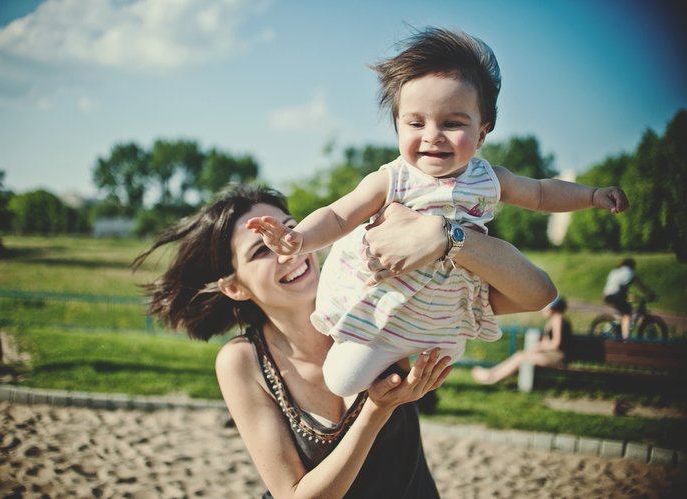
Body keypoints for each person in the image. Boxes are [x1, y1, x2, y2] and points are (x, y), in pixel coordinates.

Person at [246, 27, 629, 397]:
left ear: (482, 132)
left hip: (444, 308)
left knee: (440, 360)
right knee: (342, 379)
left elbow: (544, 193)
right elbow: (338, 216)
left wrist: (593, 195)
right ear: (397, 126)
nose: (432, 135)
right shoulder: (392, 179)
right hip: (387, 304)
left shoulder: (489, 178)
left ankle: (412, 361)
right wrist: (299, 240)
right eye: (416, 123)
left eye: (452, 123)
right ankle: (377, 363)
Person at [133, 183, 556, 498]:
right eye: (260, 251)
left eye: (288, 229)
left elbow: (535, 293)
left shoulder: (383, 295)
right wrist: (376, 409)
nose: (286, 249)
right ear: (235, 288)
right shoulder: (242, 362)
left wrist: (449, 237)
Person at [471, 296, 572, 385]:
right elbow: (549, 341)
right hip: (550, 355)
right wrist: (541, 346)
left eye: (546, 308)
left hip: (557, 357)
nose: (543, 310)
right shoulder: (553, 320)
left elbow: (556, 343)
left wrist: (540, 346)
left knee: (520, 357)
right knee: (520, 356)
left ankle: (492, 378)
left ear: (553, 308)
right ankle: (491, 374)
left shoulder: (558, 320)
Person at [602, 258, 656, 339]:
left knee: (623, 310)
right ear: (632, 266)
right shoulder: (630, 272)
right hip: (617, 295)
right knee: (627, 314)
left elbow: (613, 285)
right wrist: (651, 293)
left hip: (606, 295)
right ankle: (625, 338)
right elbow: (642, 286)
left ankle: (615, 328)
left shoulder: (615, 271)